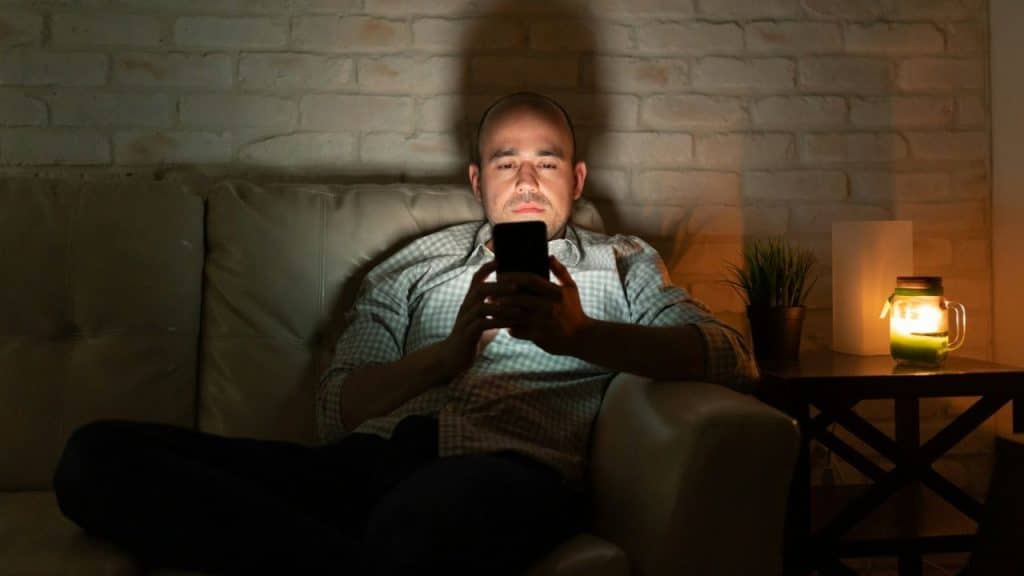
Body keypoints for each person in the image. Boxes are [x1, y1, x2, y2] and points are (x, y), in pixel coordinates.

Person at [52, 92, 758, 575]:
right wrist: (445, 358)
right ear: (478, 180)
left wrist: (579, 337)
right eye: (506, 162)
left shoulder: (622, 261)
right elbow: (337, 409)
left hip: (509, 472)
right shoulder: (415, 266)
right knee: (96, 458)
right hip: (371, 463)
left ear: (576, 179)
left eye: (546, 161)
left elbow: (729, 356)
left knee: (412, 535)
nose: (526, 179)